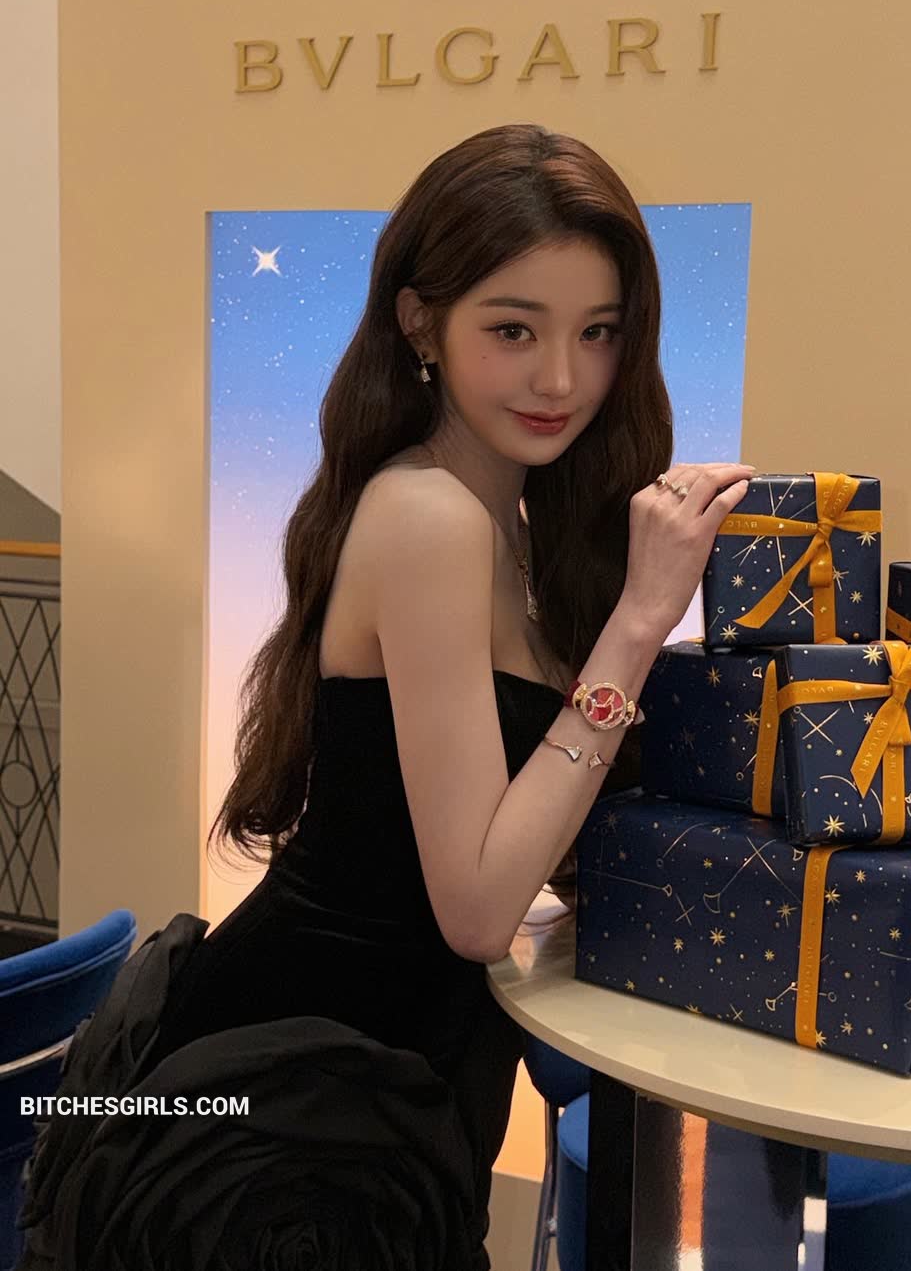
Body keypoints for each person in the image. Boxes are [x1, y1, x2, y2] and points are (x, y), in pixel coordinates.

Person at [16, 122, 752, 1270]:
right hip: (291, 1107)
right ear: (420, 323)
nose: (562, 378)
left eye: (597, 332)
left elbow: (477, 843)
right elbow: (473, 908)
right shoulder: (429, 517)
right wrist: (637, 625)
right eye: (514, 329)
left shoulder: (502, 517)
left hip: (375, 1076)